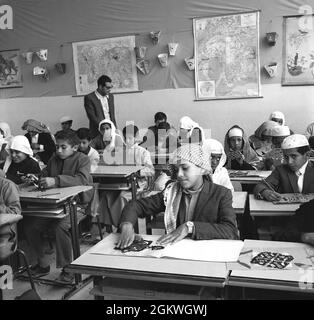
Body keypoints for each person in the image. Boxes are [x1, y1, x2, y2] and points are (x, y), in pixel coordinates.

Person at [117, 144, 238, 249]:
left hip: (207, 255)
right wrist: (127, 225)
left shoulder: (221, 194)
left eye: (185, 168)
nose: (179, 174)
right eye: (177, 169)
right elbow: (136, 205)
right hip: (177, 254)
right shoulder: (172, 192)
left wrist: (189, 227)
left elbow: (230, 230)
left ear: (202, 169)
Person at [22, 130, 94, 283]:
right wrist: (35, 178)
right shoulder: (54, 159)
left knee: (60, 227)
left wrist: (55, 181)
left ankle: (68, 269)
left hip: (77, 205)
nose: (58, 150)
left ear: (74, 147)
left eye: (63, 147)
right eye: (57, 147)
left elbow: (82, 179)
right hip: (55, 205)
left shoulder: (83, 159)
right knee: (31, 226)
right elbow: (45, 174)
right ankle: (43, 264)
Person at [97, 124, 155, 229]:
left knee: (122, 197)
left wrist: (137, 172)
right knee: (106, 196)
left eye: (130, 138)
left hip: (140, 184)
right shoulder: (121, 151)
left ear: (136, 137)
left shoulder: (143, 152)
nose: (127, 141)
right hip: (123, 182)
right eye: (125, 138)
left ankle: (123, 226)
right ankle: (107, 227)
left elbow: (151, 170)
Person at [254, 134, 314, 202]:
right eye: (286, 157)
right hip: (287, 211)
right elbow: (260, 186)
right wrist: (265, 192)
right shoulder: (281, 170)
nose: (289, 162)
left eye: (294, 156)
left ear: (307, 155)